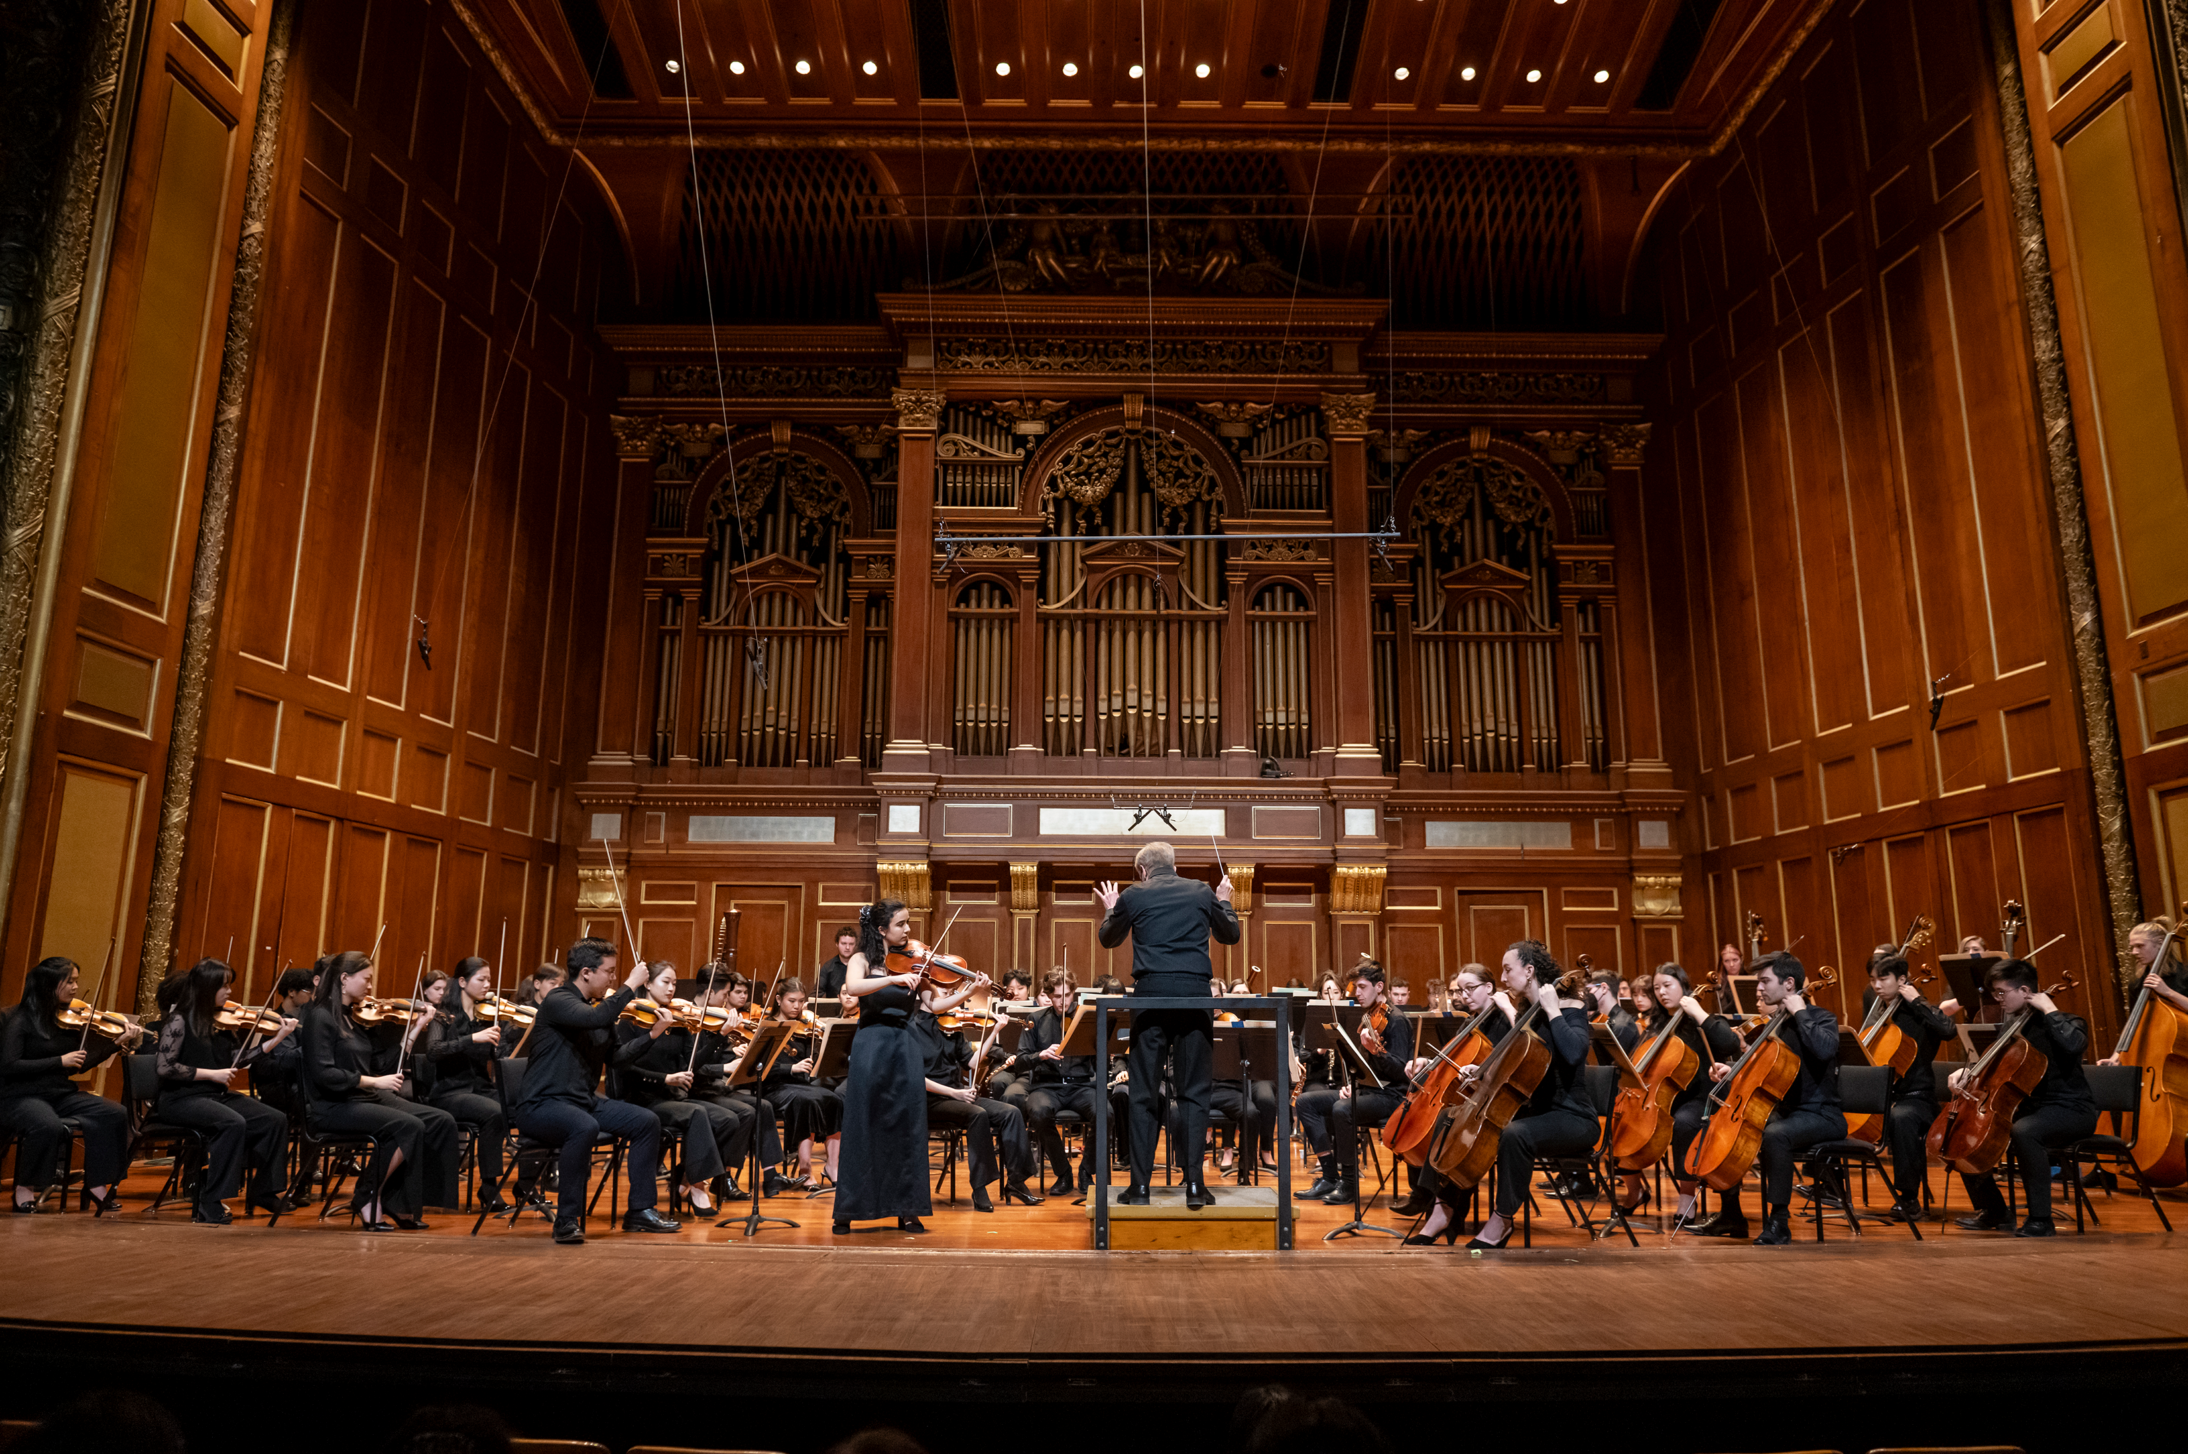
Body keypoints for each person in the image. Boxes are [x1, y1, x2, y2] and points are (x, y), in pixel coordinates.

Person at [1097, 840, 1240, 1208]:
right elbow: (1230, 935)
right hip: (1195, 1000)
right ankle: (1194, 1186)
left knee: (1144, 1095)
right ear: (1174, 865)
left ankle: (1140, 1188)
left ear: (1143, 870)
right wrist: (1224, 900)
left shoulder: (1133, 894)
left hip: (1151, 999)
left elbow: (1108, 939)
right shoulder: (1202, 891)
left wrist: (1113, 909)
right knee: (1193, 1094)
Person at [511, 937, 680, 1244]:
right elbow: (594, 1019)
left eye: (616, 973)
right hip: (540, 1105)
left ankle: (640, 1212)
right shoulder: (558, 1001)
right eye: (609, 971)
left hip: (581, 1101)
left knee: (646, 1122)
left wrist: (652, 1036)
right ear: (587, 972)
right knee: (583, 1127)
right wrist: (631, 984)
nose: (613, 978)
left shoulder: (598, 1009)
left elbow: (616, 1058)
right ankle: (566, 1220)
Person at [1447, 941, 1594, 1250]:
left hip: (1573, 1115)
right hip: (1538, 1110)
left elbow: (1574, 1054)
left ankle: (1501, 1221)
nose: (1502, 977)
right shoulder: (1528, 1013)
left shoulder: (1570, 1007)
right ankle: (1446, 1209)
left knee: (1515, 1134)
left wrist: (1553, 1010)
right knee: (1453, 1119)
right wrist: (1482, 1069)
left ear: (1529, 971)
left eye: (1507, 969)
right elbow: (1516, 1065)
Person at [300, 950, 461, 1230]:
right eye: (367, 979)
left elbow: (382, 1063)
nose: (371, 986)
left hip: (361, 1097)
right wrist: (374, 1082)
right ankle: (367, 1196)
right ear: (344, 978)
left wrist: (416, 1027)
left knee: (439, 1120)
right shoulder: (320, 1017)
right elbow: (324, 1074)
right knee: (408, 1125)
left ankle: (399, 1202)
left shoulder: (354, 1017)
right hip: (332, 1105)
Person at [1693, 952, 1844, 1245]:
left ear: (1789, 983)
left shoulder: (1821, 1017)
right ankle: (1730, 1211)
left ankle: (1779, 1222)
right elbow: (1762, 1072)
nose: (1759, 988)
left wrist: (1801, 1012)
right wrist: (1732, 1070)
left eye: (1764, 981)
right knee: (1732, 1127)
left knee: (1776, 1135)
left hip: (1822, 1114)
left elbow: (1825, 1051)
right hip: (1787, 1113)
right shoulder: (1774, 1024)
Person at [1951, 958, 2096, 1237]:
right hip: (2028, 1107)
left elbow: (2074, 1045)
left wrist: (2050, 1009)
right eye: (1995, 993)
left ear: (2025, 990)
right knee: (1963, 1131)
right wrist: (1963, 1073)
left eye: (2002, 992)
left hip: (2070, 1108)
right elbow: (1992, 1069)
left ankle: (2041, 1220)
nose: (1998, 999)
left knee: (2025, 1132)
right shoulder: (2012, 1030)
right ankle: (1994, 1211)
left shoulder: (2067, 1021)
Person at [834, 898, 952, 1233]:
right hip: (872, 1045)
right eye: (901, 924)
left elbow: (936, 1003)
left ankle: (907, 1208)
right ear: (882, 928)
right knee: (863, 1124)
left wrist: (970, 987)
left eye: (908, 923)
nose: (908, 929)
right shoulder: (861, 959)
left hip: (905, 1046)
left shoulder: (914, 962)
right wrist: (891, 980)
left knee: (907, 1127)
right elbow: (854, 989)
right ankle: (848, 1209)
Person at [153, 957, 297, 1223]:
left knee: (274, 1119)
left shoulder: (219, 1022)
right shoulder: (179, 1020)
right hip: (180, 1098)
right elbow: (164, 1067)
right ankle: (210, 1200)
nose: (230, 992)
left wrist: (277, 1039)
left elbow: (236, 1059)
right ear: (206, 987)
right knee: (232, 1123)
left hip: (214, 1095)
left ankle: (264, 1191)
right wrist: (211, 1074)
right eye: (224, 986)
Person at [0, 955, 141, 1214]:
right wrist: (58, 1061)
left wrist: (115, 1043)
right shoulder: (19, 1019)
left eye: (76, 981)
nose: (76, 987)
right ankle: (24, 1188)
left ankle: (97, 1185)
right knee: (46, 1125)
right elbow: (9, 1066)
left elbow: (78, 1064)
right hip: (20, 1096)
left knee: (114, 1113)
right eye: (70, 981)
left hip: (59, 1094)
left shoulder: (66, 1019)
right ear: (48, 983)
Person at [613, 960, 750, 1216]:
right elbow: (624, 1068)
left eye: (674, 983)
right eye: (665, 982)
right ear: (647, 983)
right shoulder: (629, 1019)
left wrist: (721, 1035)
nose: (671, 989)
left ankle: (685, 1178)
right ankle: (698, 1188)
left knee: (728, 1119)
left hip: (671, 1097)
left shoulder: (677, 1020)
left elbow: (692, 1064)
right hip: (641, 1097)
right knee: (697, 1114)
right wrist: (665, 1078)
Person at [1617, 964, 1742, 1224]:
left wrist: (1698, 1012)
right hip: (1664, 1099)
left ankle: (1687, 1196)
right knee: (1620, 1119)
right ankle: (1634, 1190)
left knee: (1684, 1122)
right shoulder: (1656, 1025)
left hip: (1702, 1099)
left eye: (1667, 985)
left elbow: (1730, 1044)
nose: (1661, 992)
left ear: (1683, 987)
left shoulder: (1703, 1020)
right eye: (1657, 988)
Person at [911, 981, 1043, 1211]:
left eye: (953, 994)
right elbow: (913, 1077)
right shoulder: (910, 1028)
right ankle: (979, 1189)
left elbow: (972, 1062)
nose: (952, 999)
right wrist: (955, 1092)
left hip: (957, 1097)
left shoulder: (951, 1027)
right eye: (945, 993)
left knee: (1010, 1112)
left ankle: (1016, 1182)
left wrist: (993, 1032)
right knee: (977, 1114)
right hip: (929, 1100)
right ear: (925, 996)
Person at [1294, 960, 1413, 1207]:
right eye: (1354, 987)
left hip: (1391, 1097)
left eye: (1361, 987)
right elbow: (1363, 1067)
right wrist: (1353, 1085)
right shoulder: (1368, 1016)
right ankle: (1328, 1177)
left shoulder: (1397, 1020)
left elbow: (1402, 1071)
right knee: (1305, 1103)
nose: (1356, 993)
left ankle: (1348, 1184)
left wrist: (1377, 1053)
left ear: (1379, 986)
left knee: (1341, 1109)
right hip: (1368, 1092)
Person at [413, 956, 513, 1216]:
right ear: (462, 981)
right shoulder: (443, 1016)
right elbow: (433, 1051)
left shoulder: (485, 1017)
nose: (487, 985)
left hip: (479, 1089)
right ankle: (489, 1187)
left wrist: (502, 1042)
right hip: (450, 1092)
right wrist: (472, 1038)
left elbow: (499, 1059)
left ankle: (525, 1184)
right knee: (495, 1113)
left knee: (525, 1105)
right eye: (482, 979)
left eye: (489, 980)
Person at [1862, 948, 1955, 1222]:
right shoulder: (1879, 1014)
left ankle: (1908, 1198)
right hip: (1884, 1096)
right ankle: (1828, 1190)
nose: (1876, 985)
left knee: (1901, 1118)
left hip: (1917, 1098)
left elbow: (1948, 1029)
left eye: (1883, 979)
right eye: (1872, 979)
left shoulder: (1919, 1013)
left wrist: (1917, 1001)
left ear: (1902, 979)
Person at [761, 978, 842, 1189]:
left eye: (801, 1001)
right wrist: (791, 1068)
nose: (797, 1006)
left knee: (834, 1099)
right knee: (807, 1101)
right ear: (778, 1000)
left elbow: (811, 1067)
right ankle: (805, 1169)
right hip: (774, 1087)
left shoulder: (805, 1027)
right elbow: (761, 1069)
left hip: (799, 1085)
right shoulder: (767, 1026)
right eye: (791, 1001)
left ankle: (833, 1166)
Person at [2100, 919, 2188, 1065]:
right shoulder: (2137, 984)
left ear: (2160, 943)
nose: (2134, 952)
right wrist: (2116, 1056)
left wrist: (2168, 992)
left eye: (2140, 946)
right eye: (2132, 947)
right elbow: (2134, 1022)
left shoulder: (2185, 975)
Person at [1584, 972, 1640, 1056]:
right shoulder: (1599, 1018)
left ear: (1604, 988)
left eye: (1589, 990)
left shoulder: (1622, 1025)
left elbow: (1613, 1064)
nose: (1586, 995)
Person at [816, 928, 858, 1000]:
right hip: (834, 1009)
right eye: (843, 943)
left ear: (856, 945)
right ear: (837, 944)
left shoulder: (861, 965)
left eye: (851, 944)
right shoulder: (828, 967)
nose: (847, 947)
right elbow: (817, 993)